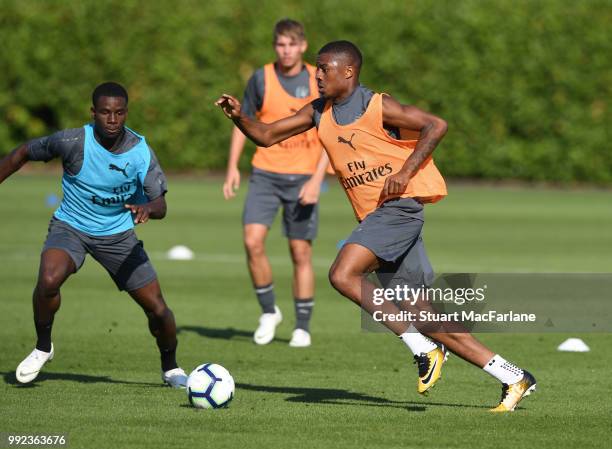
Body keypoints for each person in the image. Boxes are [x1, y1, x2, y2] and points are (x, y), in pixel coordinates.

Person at [216, 41, 537, 412]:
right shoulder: (320, 111)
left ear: (348, 72)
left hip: (398, 211)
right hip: (378, 220)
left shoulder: (377, 106)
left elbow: (437, 125)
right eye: (317, 69)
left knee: (342, 275)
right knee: (426, 317)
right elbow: (268, 135)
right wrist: (239, 116)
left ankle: (422, 348)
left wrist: (405, 171)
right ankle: (513, 376)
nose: (316, 75)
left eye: (324, 68)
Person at [1, 82, 188, 388]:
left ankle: (171, 368)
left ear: (126, 113)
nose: (111, 119)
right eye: (104, 112)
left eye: (118, 113)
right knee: (48, 279)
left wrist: (148, 209)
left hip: (118, 237)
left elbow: (161, 204)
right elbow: (23, 152)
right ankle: (43, 348)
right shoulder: (73, 141)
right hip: (71, 227)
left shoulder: (140, 152)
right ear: (93, 113)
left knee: (158, 310)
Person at [222, 19, 329, 348]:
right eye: (281, 45)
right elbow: (244, 122)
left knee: (300, 252)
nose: (286, 51)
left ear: (303, 46)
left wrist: (317, 179)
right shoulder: (261, 77)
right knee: (252, 241)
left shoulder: (318, 79)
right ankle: (269, 312)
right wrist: (232, 167)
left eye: (292, 45)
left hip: (303, 178)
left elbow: (332, 133)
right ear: (275, 47)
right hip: (265, 174)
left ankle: (302, 326)